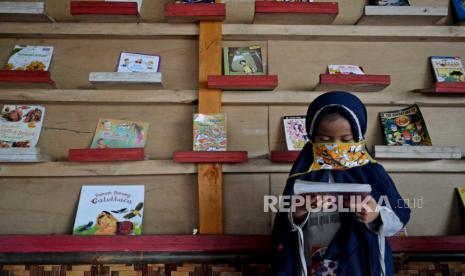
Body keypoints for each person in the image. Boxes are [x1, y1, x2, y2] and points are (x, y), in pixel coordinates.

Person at [271, 91, 410, 276]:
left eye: (346, 140)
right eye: (325, 139)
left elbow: (399, 216)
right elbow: (284, 226)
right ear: (312, 137)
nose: (336, 146)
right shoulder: (303, 173)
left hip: (361, 262)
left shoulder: (373, 173)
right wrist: (298, 211)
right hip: (314, 262)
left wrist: (377, 215)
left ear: (359, 136)